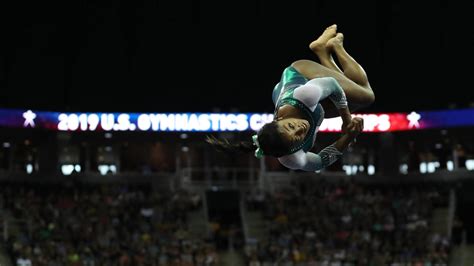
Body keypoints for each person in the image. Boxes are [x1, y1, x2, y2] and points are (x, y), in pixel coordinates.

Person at [207, 24, 375, 171]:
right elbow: (319, 162)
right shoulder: (290, 158)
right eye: (297, 137)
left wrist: (346, 121)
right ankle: (322, 50)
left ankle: (336, 46)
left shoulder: (304, 96)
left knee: (365, 95)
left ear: (278, 119)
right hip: (307, 103)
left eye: (290, 126)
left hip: (301, 74)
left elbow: (332, 85)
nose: (300, 128)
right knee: (351, 99)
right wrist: (348, 138)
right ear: (291, 150)